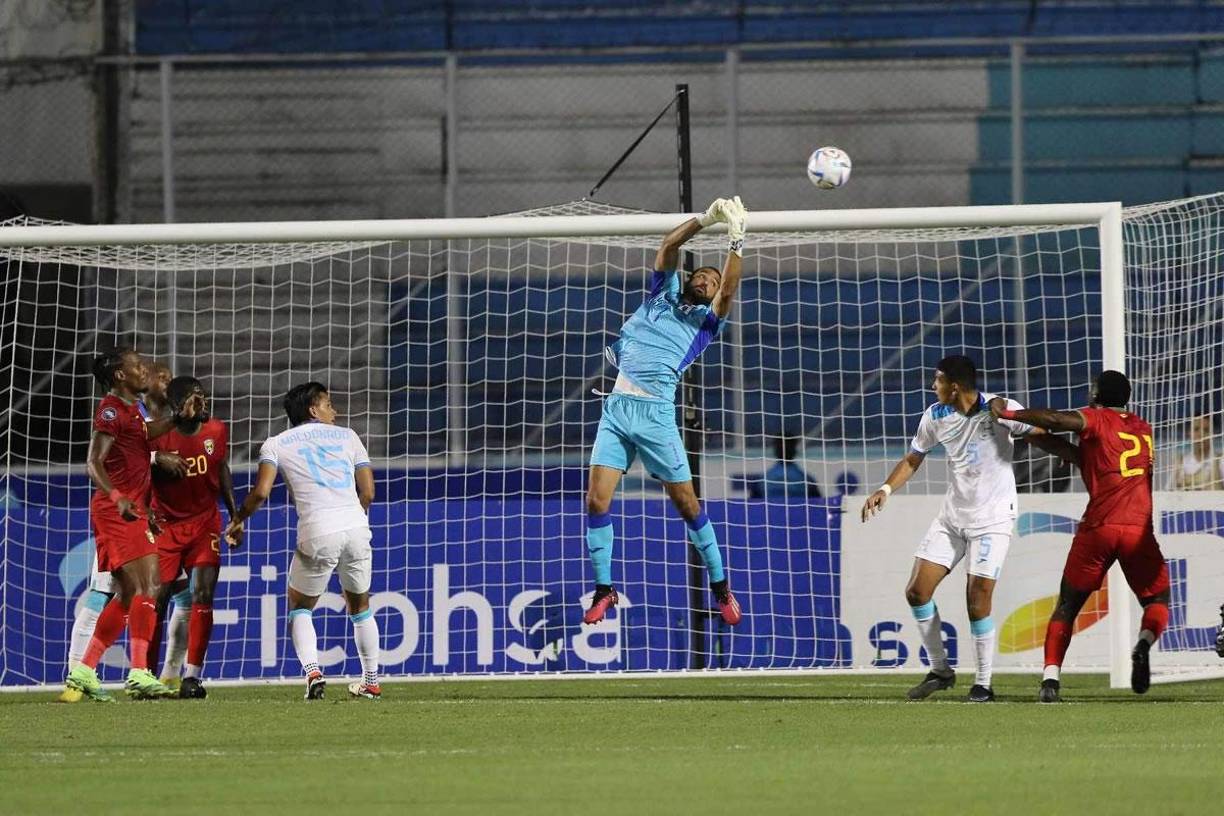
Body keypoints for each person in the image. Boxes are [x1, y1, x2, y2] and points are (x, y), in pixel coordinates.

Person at [861, 355, 1075, 703]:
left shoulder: (999, 409)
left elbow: (1038, 434)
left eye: (938, 380)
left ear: (954, 387)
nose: (933, 386)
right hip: (952, 518)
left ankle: (983, 683)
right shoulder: (935, 416)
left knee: (977, 600)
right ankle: (940, 671)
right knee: (917, 591)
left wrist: (1069, 452)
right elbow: (913, 458)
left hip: (993, 519)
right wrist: (885, 489)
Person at [583, 196, 747, 627]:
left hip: (656, 415)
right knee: (596, 500)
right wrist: (704, 219)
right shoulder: (661, 295)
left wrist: (735, 241)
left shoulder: (706, 324)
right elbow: (668, 246)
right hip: (617, 409)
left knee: (688, 505)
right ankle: (604, 589)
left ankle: (720, 586)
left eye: (713, 280)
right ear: (688, 279)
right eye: (702, 274)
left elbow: (729, 290)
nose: (708, 280)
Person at [991, 370, 1171, 702]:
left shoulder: (1096, 418)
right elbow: (1097, 459)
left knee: (1067, 606)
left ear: (1097, 395)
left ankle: (1050, 680)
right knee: (1157, 601)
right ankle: (1144, 644)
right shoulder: (1143, 428)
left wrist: (1010, 415)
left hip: (1099, 529)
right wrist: (1060, 448)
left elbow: (1055, 420)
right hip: (1138, 531)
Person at [224, 383, 380, 700]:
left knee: (300, 606)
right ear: (313, 410)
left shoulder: (275, 444)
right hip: (356, 526)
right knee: (361, 607)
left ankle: (313, 672)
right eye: (328, 404)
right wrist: (351, 517)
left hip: (317, 529)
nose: (334, 411)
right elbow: (368, 493)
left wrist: (238, 519)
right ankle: (371, 681)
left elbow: (261, 492)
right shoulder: (349, 436)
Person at [63, 348, 201, 701]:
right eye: (137, 366)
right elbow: (93, 462)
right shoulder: (110, 410)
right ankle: (139, 671)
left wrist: (177, 418)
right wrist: (117, 497)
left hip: (134, 510)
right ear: (120, 375)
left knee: (128, 595)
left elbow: (144, 434)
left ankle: (84, 669)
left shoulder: (131, 410)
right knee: (149, 586)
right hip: (118, 511)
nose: (145, 370)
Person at [148, 376, 239, 699]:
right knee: (156, 601)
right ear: (177, 406)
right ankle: (146, 676)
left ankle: (192, 677)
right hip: (166, 526)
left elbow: (221, 468)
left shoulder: (216, 430)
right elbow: (130, 465)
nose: (203, 402)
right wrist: (156, 459)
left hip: (204, 524)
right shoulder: (158, 436)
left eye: (204, 396)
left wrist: (235, 515)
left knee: (203, 593)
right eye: (194, 398)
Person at [750, 436, 822, 498]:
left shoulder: (762, 480)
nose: (784, 449)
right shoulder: (807, 480)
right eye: (781, 446)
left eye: (787, 446)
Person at [1167, 412, 1223, 490]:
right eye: (1196, 429)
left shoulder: (1220, 461)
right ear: (1189, 432)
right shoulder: (1180, 463)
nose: (1201, 434)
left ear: (1213, 434)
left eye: (1206, 430)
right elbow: (1167, 492)